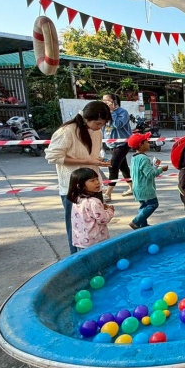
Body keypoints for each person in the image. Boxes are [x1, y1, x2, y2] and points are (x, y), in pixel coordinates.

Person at [45, 101, 111, 254]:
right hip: (75, 188)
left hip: (93, 185)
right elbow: (53, 157)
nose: (99, 127)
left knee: (97, 225)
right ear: (87, 118)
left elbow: (91, 155)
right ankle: (76, 259)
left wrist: (97, 160)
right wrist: (88, 161)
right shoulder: (67, 131)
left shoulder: (97, 132)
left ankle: (99, 256)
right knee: (77, 230)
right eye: (98, 123)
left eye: (103, 124)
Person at [127, 132, 168, 230]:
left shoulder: (134, 157)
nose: (149, 144)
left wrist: (153, 166)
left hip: (137, 188)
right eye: (146, 142)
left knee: (144, 206)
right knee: (153, 204)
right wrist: (161, 169)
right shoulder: (144, 158)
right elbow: (150, 175)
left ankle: (142, 225)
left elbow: (143, 171)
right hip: (145, 188)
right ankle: (136, 222)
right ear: (141, 145)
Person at [68, 167, 115, 250]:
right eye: (92, 181)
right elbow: (103, 219)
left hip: (81, 241)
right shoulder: (94, 202)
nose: (97, 182)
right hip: (95, 242)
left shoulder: (77, 199)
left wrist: (100, 208)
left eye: (97, 179)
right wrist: (110, 210)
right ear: (80, 185)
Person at [101, 93, 133, 201]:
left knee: (113, 166)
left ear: (114, 101)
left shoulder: (122, 112)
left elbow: (118, 125)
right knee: (123, 167)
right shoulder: (105, 113)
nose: (104, 102)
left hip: (122, 144)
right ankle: (132, 187)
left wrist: (112, 112)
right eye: (103, 100)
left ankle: (108, 193)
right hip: (112, 144)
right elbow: (103, 128)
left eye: (106, 100)